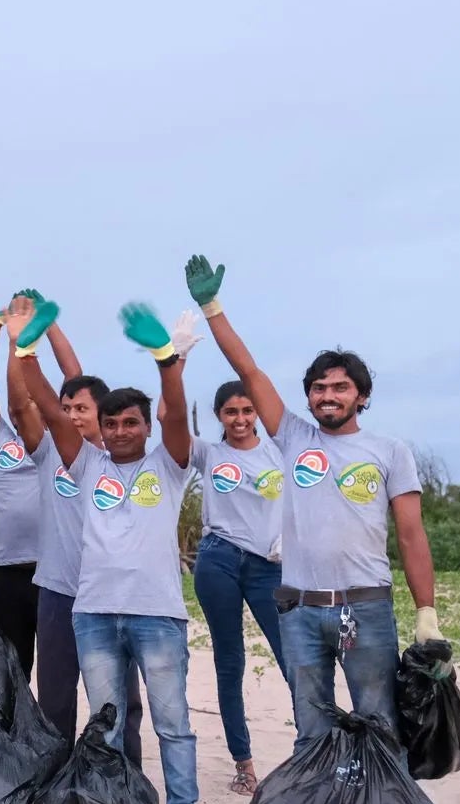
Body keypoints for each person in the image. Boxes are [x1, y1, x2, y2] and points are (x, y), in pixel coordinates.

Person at [186, 254, 441, 744]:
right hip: (298, 610)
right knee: (311, 726)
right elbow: (249, 369)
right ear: (307, 398)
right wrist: (212, 307)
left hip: (365, 608)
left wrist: (425, 612)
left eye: (341, 387)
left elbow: (411, 535)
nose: (329, 394)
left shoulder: (390, 451)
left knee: (380, 722)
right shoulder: (293, 438)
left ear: (362, 397)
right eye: (319, 387)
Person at [13, 295, 215, 804]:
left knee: (172, 724)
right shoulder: (87, 464)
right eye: (113, 423)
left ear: (145, 428)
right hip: (94, 615)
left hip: (157, 616)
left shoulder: (168, 465)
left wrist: (164, 358)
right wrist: (28, 348)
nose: (123, 431)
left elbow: (177, 415)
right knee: (105, 725)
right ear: (99, 429)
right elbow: (51, 411)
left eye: (132, 423)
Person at [12, 305, 145, 765]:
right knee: (55, 704)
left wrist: (51, 328)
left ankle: (124, 789)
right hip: (59, 593)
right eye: (63, 408)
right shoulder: (50, 452)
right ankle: (54, 790)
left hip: (113, 599)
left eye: (80, 409)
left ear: (102, 414)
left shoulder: (120, 461)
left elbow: (74, 374)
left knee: (120, 708)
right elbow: (23, 402)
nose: (69, 415)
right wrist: (20, 341)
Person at [189, 379, 291, 794]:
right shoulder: (209, 453)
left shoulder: (280, 452)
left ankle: (315, 750)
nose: (241, 419)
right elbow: (168, 418)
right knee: (230, 663)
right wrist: (174, 363)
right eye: (231, 412)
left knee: (294, 658)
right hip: (219, 560)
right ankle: (243, 763)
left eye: (248, 411)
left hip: (270, 566)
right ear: (219, 416)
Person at [0, 288, 58, 677]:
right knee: (12, 672)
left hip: (53, 570)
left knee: (57, 673)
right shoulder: (1, 436)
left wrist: (43, 327)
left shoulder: (63, 438)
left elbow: (73, 379)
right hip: (7, 571)